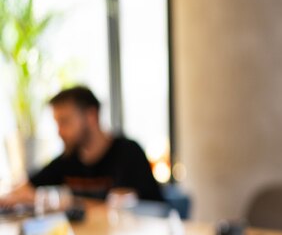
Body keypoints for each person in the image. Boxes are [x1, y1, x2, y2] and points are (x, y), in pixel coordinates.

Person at [0, 86, 162, 207]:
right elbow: (26, 187)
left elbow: (154, 208)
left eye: (65, 122)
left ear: (91, 116)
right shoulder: (67, 160)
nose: (60, 132)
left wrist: (57, 201)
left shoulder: (128, 153)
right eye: (57, 123)